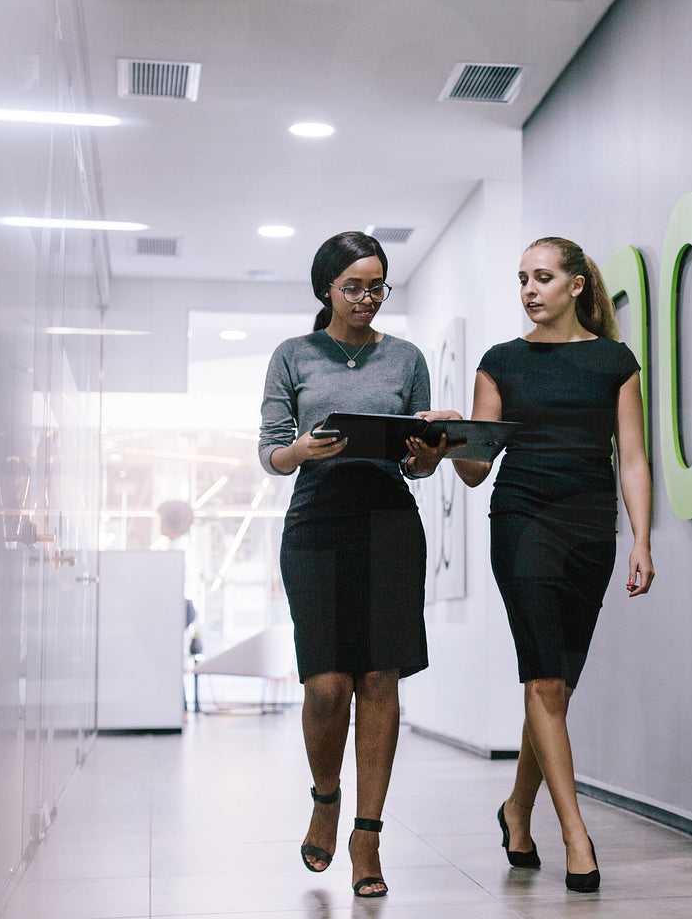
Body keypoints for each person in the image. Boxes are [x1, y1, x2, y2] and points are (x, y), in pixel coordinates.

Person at [450, 236, 654, 893]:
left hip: (590, 527)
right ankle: (575, 836)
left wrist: (641, 540)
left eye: (541, 277)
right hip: (522, 521)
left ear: (576, 285)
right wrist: (449, 439)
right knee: (541, 682)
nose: (529, 290)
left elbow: (633, 458)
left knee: (558, 690)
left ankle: (517, 809)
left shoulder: (614, 362)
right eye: (522, 279)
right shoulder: (500, 363)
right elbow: (476, 469)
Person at [257, 231, 456, 899]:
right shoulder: (292, 355)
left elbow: (416, 462)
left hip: (389, 521)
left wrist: (427, 458)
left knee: (378, 676)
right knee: (326, 683)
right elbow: (271, 453)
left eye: (376, 287)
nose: (367, 298)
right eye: (353, 287)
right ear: (326, 289)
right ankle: (326, 797)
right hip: (316, 520)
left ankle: (366, 837)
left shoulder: (406, 358)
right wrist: (302, 451)